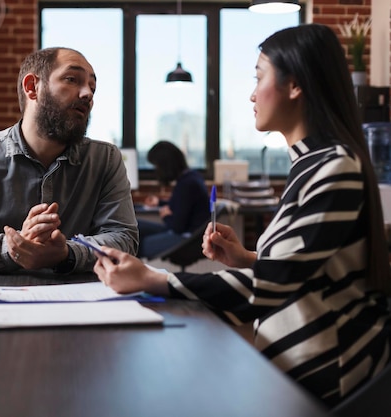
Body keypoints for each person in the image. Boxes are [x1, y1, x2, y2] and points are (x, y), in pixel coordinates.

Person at [93, 24, 391, 407]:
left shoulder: (334, 167)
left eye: (259, 77)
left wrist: (152, 278)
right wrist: (247, 258)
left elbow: (270, 287)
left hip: (328, 373)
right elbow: (307, 269)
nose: (252, 94)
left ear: (295, 85)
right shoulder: (312, 164)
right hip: (291, 367)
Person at [0, 47, 138, 274]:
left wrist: (68, 253)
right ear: (32, 87)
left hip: (78, 302)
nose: (88, 94)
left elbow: (124, 238)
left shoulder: (105, 160)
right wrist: (11, 248)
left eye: (92, 87)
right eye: (72, 79)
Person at [137, 141, 210, 258]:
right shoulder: (192, 177)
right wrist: (160, 203)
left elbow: (177, 226)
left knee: (135, 245)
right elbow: (183, 204)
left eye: (157, 167)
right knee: (135, 225)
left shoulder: (186, 185)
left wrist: (166, 216)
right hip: (183, 232)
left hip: (187, 238)